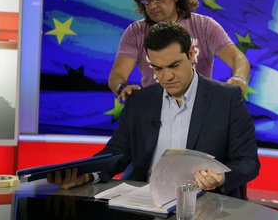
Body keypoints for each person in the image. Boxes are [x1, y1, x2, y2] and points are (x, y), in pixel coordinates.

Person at [49, 21, 260, 200]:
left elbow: (248, 162)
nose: (166, 77)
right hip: (145, 203)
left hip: (205, 205)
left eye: (174, 65)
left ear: (191, 54)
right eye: (157, 68)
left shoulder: (226, 98)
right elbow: (116, 154)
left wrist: (220, 177)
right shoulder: (140, 101)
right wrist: (86, 175)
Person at [109, 0, 250, 101]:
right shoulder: (135, 32)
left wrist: (239, 78)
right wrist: (122, 87)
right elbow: (117, 75)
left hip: (201, 112)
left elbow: (238, 58)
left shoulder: (205, 26)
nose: (152, 6)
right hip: (154, 114)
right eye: (146, 0)